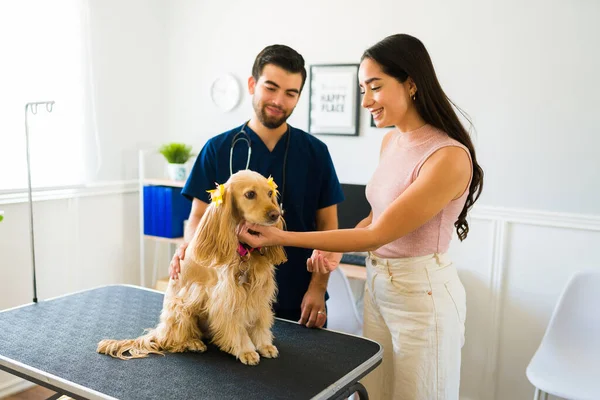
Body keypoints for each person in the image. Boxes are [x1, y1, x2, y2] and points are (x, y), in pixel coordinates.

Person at [238, 34, 484, 400]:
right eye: (361, 88)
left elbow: (379, 233)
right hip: (379, 287)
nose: (366, 100)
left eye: (375, 87)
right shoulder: (392, 142)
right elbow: (374, 218)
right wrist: (336, 251)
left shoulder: (447, 156)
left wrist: (280, 237)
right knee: (374, 392)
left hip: (423, 295)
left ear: (412, 83)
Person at [169, 44, 345, 329]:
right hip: (227, 299)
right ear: (252, 84)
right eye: (271, 88)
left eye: (291, 93)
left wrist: (317, 288)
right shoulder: (217, 149)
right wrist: (189, 250)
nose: (279, 100)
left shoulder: (316, 153)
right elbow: (198, 218)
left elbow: (329, 230)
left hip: (298, 300)